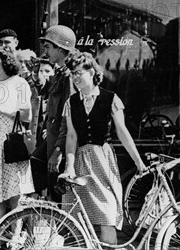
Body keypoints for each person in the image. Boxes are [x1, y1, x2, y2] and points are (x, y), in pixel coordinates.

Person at [60, 51, 145, 245]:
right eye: (72, 73)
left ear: (91, 72)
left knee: (107, 216)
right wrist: (69, 166)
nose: (75, 77)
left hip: (102, 160)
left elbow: (122, 132)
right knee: (79, 219)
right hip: (80, 160)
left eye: (79, 72)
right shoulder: (71, 102)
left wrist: (138, 161)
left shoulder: (110, 98)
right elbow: (71, 136)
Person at [0, 46, 33, 224]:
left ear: (6, 62)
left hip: (12, 140)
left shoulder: (20, 83)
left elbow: (27, 115)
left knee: (15, 191)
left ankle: (15, 237)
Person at [38, 25, 76, 200]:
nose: (45, 51)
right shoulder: (60, 73)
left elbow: (69, 118)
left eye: (48, 47)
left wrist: (59, 150)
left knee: (61, 198)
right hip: (52, 141)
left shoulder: (69, 77)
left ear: (61, 49)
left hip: (60, 145)